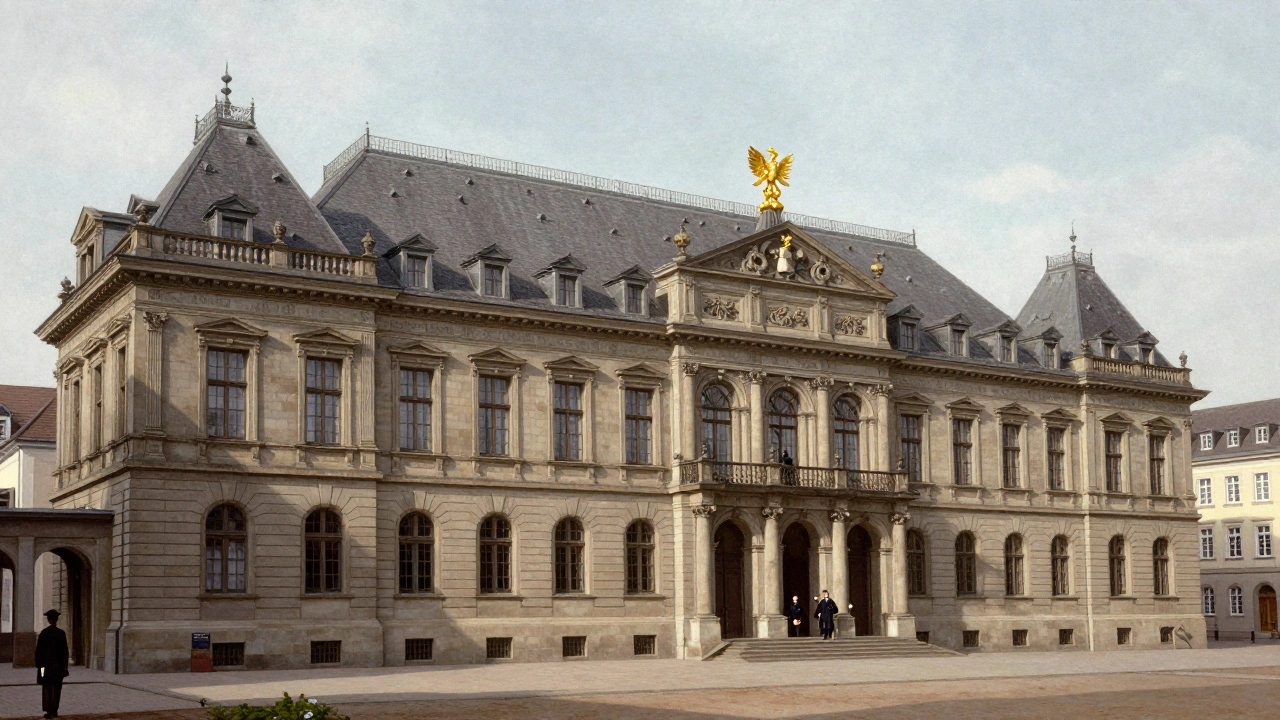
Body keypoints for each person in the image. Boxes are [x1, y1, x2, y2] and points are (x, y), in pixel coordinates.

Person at [35, 608, 69, 719]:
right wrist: (64, 665)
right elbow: (65, 652)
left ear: (49, 620)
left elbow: (38, 651)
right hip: (58, 666)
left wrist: (39, 666)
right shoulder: (61, 633)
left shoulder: (44, 633)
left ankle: (48, 709)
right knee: (57, 688)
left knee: (47, 687)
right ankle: (54, 709)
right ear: (56, 619)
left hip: (45, 667)